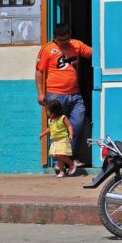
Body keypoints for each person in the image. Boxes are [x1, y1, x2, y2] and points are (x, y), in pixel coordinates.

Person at [36, 23, 92, 165]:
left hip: (75, 95)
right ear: (54, 37)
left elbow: (93, 52)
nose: (64, 42)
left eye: (66, 39)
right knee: (58, 129)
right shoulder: (47, 49)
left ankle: (69, 157)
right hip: (55, 96)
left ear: (70, 35)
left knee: (77, 124)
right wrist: (41, 93)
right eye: (60, 40)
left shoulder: (76, 45)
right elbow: (39, 72)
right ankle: (58, 162)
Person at [38, 99, 81, 177]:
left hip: (62, 139)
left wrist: (71, 134)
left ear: (55, 111)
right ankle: (62, 171)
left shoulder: (63, 118)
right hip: (55, 141)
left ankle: (72, 164)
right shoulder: (50, 120)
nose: (47, 113)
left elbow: (69, 126)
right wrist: (43, 134)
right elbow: (50, 129)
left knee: (60, 154)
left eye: (48, 111)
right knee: (58, 157)